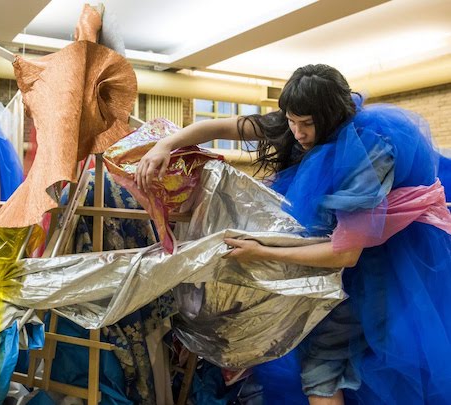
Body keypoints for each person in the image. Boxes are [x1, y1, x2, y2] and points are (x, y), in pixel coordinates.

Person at [135, 64, 451, 404]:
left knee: (326, 365)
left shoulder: (367, 152)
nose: (297, 132)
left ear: (329, 115)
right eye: (291, 121)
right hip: (337, 256)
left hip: (376, 265)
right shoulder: (298, 121)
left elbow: (345, 253)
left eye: (307, 124)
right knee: (331, 363)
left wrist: (263, 251)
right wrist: (166, 144)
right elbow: (221, 126)